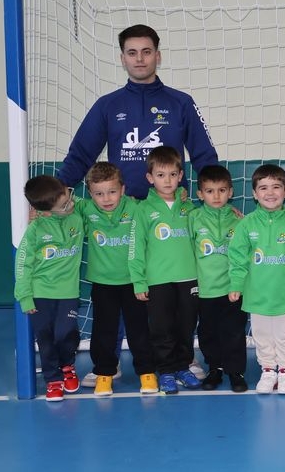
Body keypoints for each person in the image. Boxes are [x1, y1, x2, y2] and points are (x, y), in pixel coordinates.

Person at [58, 24, 218, 199]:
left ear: (158, 56)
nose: (139, 59)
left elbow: (205, 157)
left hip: (172, 209)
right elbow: (80, 156)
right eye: (132, 53)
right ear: (123, 59)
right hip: (122, 210)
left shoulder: (182, 103)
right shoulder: (107, 105)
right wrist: (51, 198)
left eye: (147, 52)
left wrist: (219, 199)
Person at [228, 164, 285, 395]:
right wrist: (236, 285)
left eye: (276, 187)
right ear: (254, 194)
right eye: (263, 187)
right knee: (263, 336)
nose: (270, 192)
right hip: (258, 296)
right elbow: (237, 258)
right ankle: (268, 370)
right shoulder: (246, 225)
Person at [78, 162, 156, 396]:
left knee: (139, 330)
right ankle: (104, 373)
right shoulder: (85, 210)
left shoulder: (137, 209)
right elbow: (60, 209)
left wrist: (182, 197)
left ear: (123, 189)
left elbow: (164, 208)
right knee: (104, 331)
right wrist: (42, 211)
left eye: (112, 191)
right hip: (103, 284)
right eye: (99, 194)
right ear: (90, 193)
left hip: (134, 282)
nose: (106, 198)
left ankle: (147, 372)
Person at [128, 146, 201, 394]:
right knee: (161, 328)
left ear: (181, 175)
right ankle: (167, 370)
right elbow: (135, 248)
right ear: (150, 178)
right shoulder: (143, 210)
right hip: (158, 280)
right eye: (160, 175)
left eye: (172, 174)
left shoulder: (189, 208)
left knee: (186, 326)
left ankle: (183, 366)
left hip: (188, 278)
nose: (167, 180)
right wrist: (139, 281)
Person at [14, 176, 83, 401]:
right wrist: (24, 296)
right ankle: (53, 379)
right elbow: (23, 263)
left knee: (65, 333)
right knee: (45, 337)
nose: (70, 204)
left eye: (69, 196)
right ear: (45, 212)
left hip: (68, 292)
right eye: (64, 206)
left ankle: (67, 365)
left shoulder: (77, 214)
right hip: (40, 293)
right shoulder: (35, 229)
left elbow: (99, 206)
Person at [188, 165, 248, 393]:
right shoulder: (193, 218)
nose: (216, 196)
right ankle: (215, 368)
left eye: (222, 190)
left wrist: (240, 284)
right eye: (210, 191)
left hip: (233, 288)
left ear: (230, 192)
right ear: (200, 194)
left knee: (233, 331)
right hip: (205, 289)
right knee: (208, 332)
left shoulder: (239, 221)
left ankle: (235, 371)